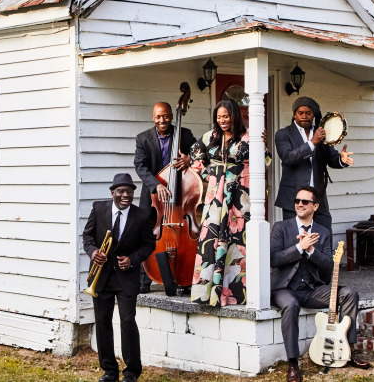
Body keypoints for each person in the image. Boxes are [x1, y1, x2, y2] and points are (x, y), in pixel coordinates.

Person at [270, 186, 371, 382]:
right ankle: (293, 364)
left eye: (305, 202)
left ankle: (348, 351)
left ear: (315, 206)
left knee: (350, 293)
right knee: (291, 306)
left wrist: (311, 251)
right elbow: (274, 259)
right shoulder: (281, 228)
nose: (299, 204)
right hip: (285, 288)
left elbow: (328, 265)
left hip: (311, 290)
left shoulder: (323, 232)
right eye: (297, 201)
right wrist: (299, 247)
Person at [83, 173, 157, 382]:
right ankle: (109, 371)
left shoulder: (142, 215)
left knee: (127, 321)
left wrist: (133, 259)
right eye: (122, 192)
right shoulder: (99, 209)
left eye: (130, 192)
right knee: (103, 322)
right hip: (101, 277)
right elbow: (87, 236)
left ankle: (132, 372)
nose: (126, 195)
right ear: (113, 192)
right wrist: (93, 251)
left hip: (126, 278)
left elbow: (149, 244)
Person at [188, 98, 253, 306]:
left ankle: (234, 294)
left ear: (234, 115)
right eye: (219, 117)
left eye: (226, 116)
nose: (222, 120)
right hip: (215, 199)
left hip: (239, 197)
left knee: (236, 244)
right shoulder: (210, 136)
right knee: (211, 240)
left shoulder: (249, 136)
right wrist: (213, 175)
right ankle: (207, 293)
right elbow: (195, 160)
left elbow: (265, 161)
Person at [133, 101, 196, 292]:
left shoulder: (184, 134)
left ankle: (184, 279)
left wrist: (190, 159)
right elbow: (140, 166)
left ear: (171, 115)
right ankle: (144, 282)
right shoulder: (143, 138)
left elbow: (199, 153)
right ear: (153, 117)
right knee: (145, 234)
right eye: (158, 116)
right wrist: (156, 184)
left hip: (180, 197)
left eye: (166, 116)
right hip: (153, 197)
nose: (162, 120)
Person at [273, 96, 353, 233]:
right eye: (301, 113)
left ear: (314, 115)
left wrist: (341, 159)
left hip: (317, 197)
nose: (304, 116)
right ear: (294, 114)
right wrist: (312, 142)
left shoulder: (322, 133)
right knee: (294, 239)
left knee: (324, 234)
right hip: (293, 198)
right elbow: (288, 158)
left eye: (308, 113)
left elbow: (331, 157)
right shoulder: (283, 134)